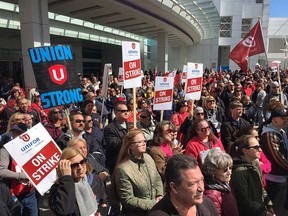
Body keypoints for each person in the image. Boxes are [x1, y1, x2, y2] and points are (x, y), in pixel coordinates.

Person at [110, 129, 163, 216]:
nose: (143, 143)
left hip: (154, 211)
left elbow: (157, 177)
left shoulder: (148, 158)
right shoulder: (123, 169)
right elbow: (128, 199)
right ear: (130, 146)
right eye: (139, 142)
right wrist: (153, 203)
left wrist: (159, 195)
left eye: (144, 141)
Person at [147, 154, 218, 216]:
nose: (201, 189)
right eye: (192, 184)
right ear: (174, 187)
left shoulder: (208, 204)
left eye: (201, 180)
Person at [228, 135, 274, 216]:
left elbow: (261, 187)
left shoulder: (255, 163)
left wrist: (269, 206)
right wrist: (264, 213)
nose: (260, 150)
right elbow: (243, 201)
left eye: (259, 146)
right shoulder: (239, 172)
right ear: (245, 150)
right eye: (256, 147)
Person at [49, 147, 98, 216]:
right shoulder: (57, 189)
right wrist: (66, 178)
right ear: (65, 167)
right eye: (74, 165)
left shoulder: (89, 180)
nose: (80, 167)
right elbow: (64, 211)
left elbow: (102, 199)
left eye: (82, 162)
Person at [260, 108, 288, 216]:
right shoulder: (269, 135)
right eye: (283, 118)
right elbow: (279, 158)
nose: (286, 120)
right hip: (276, 180)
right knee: (278, 209)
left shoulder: (280, 131)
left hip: (283, 178)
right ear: (275, 119)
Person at [202, 149, 239, 216]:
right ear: (212, 171)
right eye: (225, 170)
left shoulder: (226, 185)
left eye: (230, 168)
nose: (229, 172)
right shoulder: (211, 195)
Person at [104, 101, 130, 174]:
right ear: (115, 112)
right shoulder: (109, 128)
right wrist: (128, 136)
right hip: (118, 162)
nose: (126, 113)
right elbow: (114, 145)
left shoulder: (131, 125)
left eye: (127, 111)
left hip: (130, 160)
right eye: (122, 111)